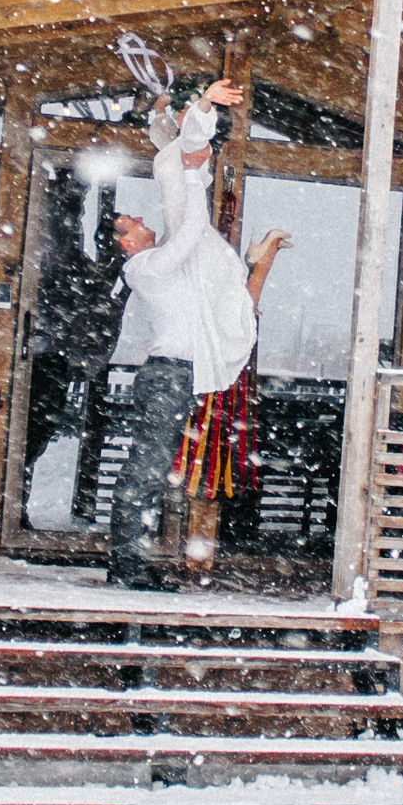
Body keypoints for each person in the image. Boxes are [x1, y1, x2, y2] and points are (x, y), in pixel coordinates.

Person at [105, 78, 288, 588]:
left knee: (150, 469)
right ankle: (127, 569)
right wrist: (189, 179)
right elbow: (186, 231)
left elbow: (181, 146)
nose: (142, 219)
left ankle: (129, 566)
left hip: (174, 376)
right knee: (145, 471)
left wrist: (173, 114)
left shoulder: (160, 263)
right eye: (131, 222)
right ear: (126, 243)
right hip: (166, 378)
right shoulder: (145, 268)